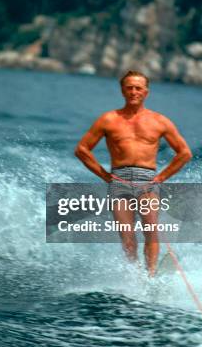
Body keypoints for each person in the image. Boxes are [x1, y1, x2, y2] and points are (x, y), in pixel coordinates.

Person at [74, 70, 192, 275]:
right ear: (122, 90)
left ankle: (152, 274)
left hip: (147, 181)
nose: (133, 91)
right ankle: (135, 274)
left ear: (146, 92)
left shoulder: (160, 121)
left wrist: (161, 177)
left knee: (151, 230)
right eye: (129, 87)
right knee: (127, 234)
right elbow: (82, 150)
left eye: (138, 88)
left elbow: (184, 153)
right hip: (119, 181)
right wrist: (104, 176)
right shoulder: (108, 119)